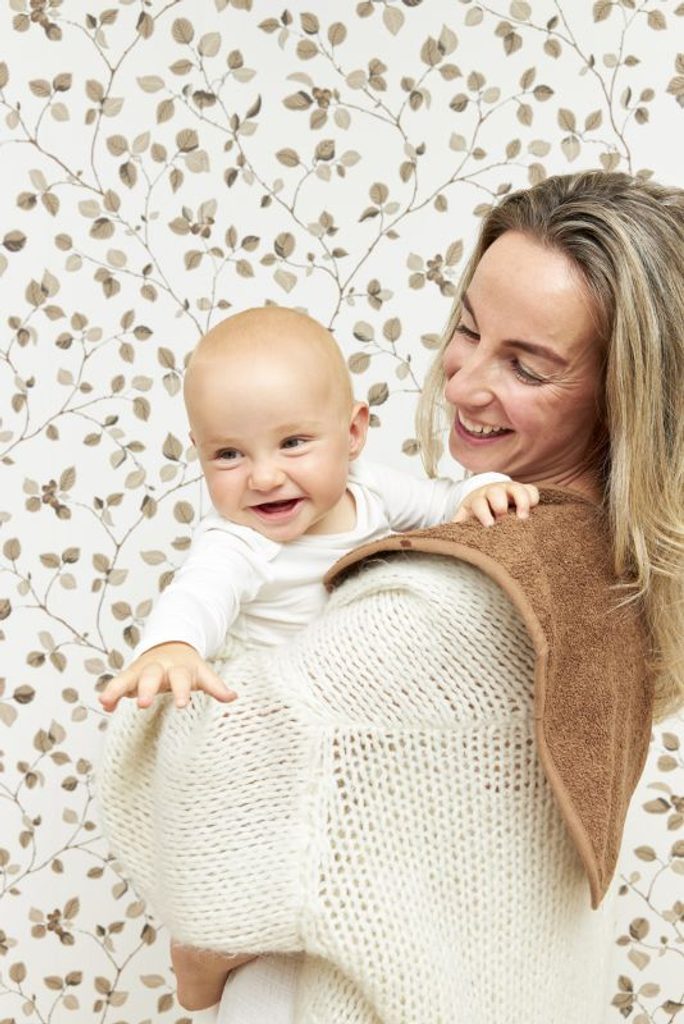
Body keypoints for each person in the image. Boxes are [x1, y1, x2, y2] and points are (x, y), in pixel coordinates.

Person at [97, 171, 684, 1024]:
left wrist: (196, 962)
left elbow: (182, 793)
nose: (464, 385)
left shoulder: (438, 609)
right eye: (469, 330)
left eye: (526, 366)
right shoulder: (605, 573)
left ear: (626, 395)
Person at [99, 305, 538, 1017]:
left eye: (294, 443)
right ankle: (201, 959)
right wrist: (171, 646)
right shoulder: (238, 542)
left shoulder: (372, 491)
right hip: (265, 733)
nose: (264, 477)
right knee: (248, 868)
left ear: (353, 433)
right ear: (199, 453)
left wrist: (478, 492)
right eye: (229, 455)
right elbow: (198, 596)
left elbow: (442, 504)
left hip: (341, 729)